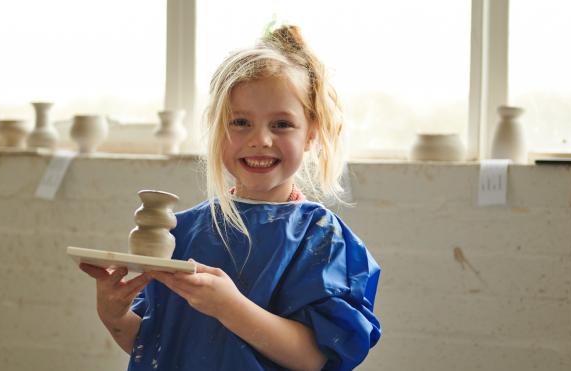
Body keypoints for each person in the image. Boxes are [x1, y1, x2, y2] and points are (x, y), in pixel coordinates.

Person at [80, 25, 381, 371]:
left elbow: (315, 358)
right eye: (240, 122)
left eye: (281, 124)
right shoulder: (182, 232)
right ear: (216, 128)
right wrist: (113, 315)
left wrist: (229, 307)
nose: (260, 140)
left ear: (311, 133)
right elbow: (154, 345)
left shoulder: (323, 240)